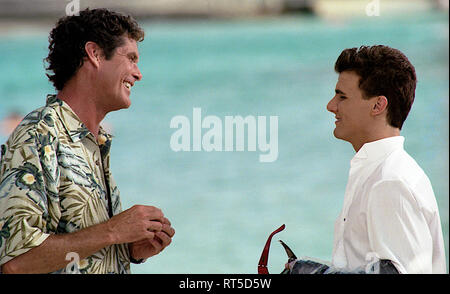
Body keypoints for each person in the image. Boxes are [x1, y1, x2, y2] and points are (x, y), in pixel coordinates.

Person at [0, 8, 175, 274]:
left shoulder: (94, 142)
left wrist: (127, 250)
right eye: (130, 58)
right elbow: (15, 263)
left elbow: (80, 249)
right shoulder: (38, 134)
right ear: (94, 54)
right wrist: (114, 231)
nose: (138, 74)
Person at [287, 45, 446, 274]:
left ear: (378, 105)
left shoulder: (390, 182)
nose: (331, 106)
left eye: (342, 96)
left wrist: (313, 273)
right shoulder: (383, 172)